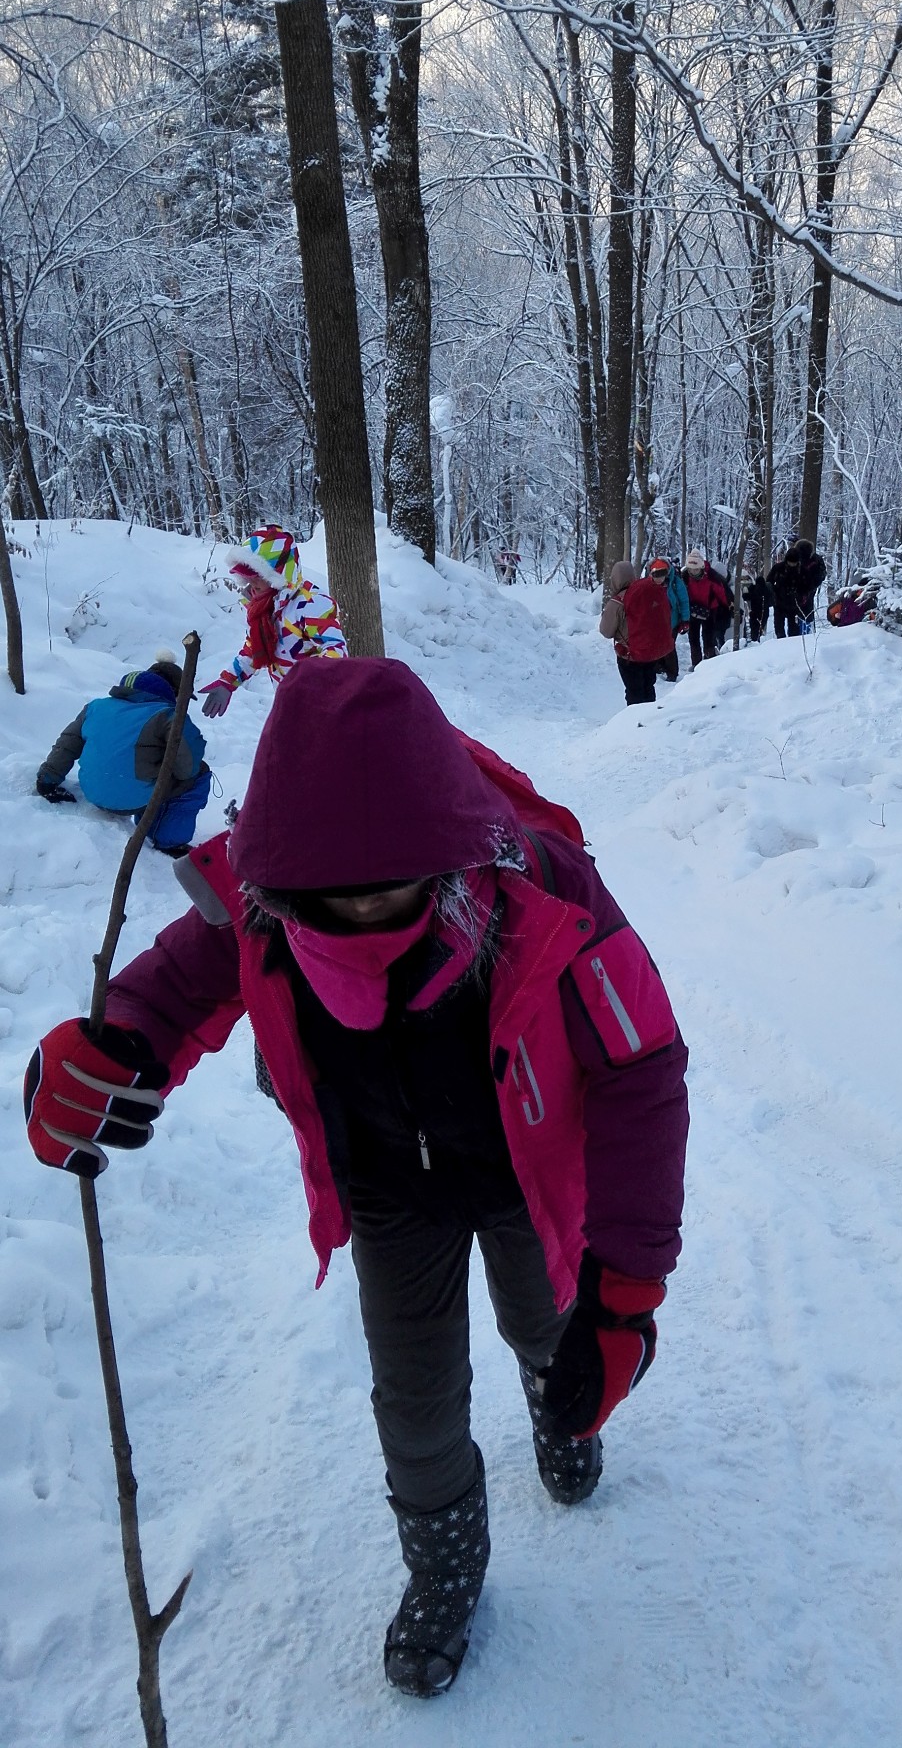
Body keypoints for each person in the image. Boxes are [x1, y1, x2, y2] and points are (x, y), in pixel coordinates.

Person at [24, 658, 688, 1700]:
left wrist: (627, 1291)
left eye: (393, 891)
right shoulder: (254, 891)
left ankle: (560, 1412)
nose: (366, 915)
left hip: (524, 1167)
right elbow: (175, 985)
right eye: (331, 902)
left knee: (544, 1325)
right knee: (414, 1403)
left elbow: (641, 1062)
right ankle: (444, 1567)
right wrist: (115, 1045)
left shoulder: (545, 884)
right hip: (384, 1185)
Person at [35, 656, 211, 856]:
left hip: (93, 792)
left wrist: (47, 779)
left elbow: (68, 743)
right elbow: (187, 769)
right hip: (133, 799)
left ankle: (144, 806)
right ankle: (168, 840)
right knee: (200, 773)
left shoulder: (96, 706)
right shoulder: (169, 716)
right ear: (174, 692)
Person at [200, 526, 346, 717]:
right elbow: (253, 650)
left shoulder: (309, 604)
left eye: (258, 575)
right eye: (248, 575)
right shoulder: (262, 608)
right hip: (288, 704)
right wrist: (228, 681)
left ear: (278, 574)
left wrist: (306, 684)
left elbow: (336, 651)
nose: (252, 582)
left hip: (321, 706)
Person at [599, 560, 674, 704]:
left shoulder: (617, 602)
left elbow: (606, 631)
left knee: (634, 692)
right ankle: (651, 719)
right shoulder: (648, 592)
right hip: (650, 652)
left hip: (630, 655)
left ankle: (636, 723)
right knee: (648, 688)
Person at [766, 539, 827, 638]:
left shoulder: (808, 566)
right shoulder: (779, 568)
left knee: (794, 632)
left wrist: (804, 594)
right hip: (780, 602)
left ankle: (802, 640)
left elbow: (811, 582)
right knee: (780, 631)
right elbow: (769, 582)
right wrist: (773, 595)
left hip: (796, 604)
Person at [681, 550, 728, 667]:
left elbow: (721, 592)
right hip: (692, 610)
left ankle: (709, 664)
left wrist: (726, 607)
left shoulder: (711, 576)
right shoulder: (685, 576)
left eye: (696, 569)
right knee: (693, 638)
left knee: (708, 637)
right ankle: (696, 665)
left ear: (701, 567)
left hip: (710, 609)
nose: (693, 572)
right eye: (691, 569)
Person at [646, 557, 689, 680]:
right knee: (657, 645)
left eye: (662, 574)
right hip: (655, 622)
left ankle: (672, 673)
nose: (659, 578)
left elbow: (684, 601)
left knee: (669, 647)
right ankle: (659, 667)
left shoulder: (675, 583)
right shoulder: (647, 584)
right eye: (656, 574)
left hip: (672, 621)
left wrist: (685, 620)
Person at [743, 570, 773, 643]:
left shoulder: (754, 589)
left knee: (754, 629)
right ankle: (759, 640)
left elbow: (746, 596)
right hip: (764, 613)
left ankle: (755, 641)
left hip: (754, 613)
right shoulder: (767, 590)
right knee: (760, 628)